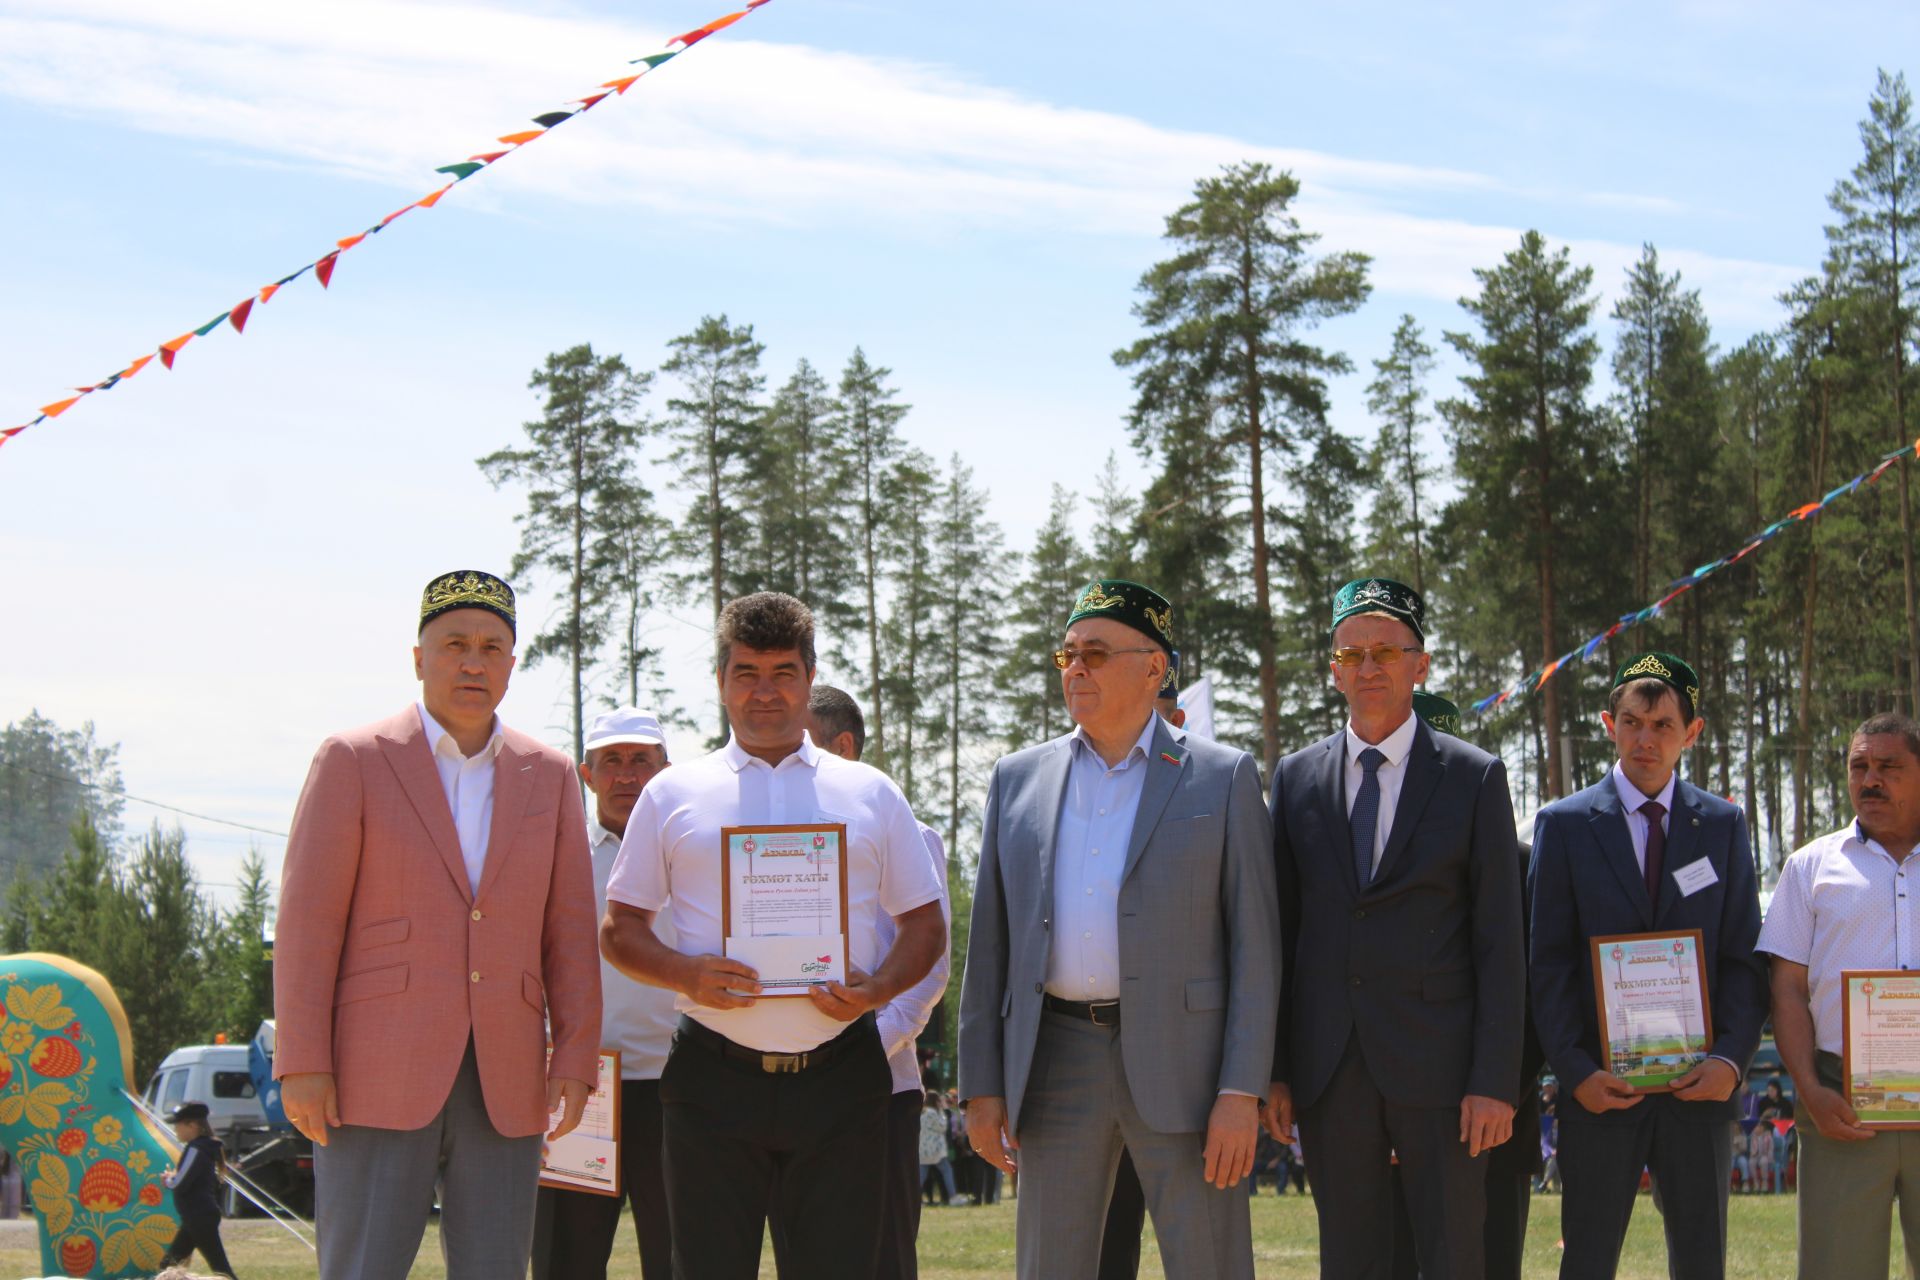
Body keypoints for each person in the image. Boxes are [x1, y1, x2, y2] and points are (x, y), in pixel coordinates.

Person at [601, 592, 946, 1280]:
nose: (765, 692)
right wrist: (684, 973)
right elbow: (620, 929)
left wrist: (878, 989)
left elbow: (926, 925)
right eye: (747, 673)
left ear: (810, 678)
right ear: (722, 682)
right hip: (710, 1080)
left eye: (783, 673)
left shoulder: (871, 793)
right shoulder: (673, 795)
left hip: (841, 1080)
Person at [274, 569, 601, 1280]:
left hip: (507, 1076)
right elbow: (307, 923)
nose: (473, 661)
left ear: (512, 666)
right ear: (419, 657)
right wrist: (302, 1060)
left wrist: (575, 1055)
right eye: (454, 643)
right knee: (363, 1267)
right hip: (371, 1071)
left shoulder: (547, 775)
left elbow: (570, 932)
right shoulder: (354, 759)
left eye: (491, 647)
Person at [959, 578, 1279, 1280]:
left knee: (1212, 1265)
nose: (1076, 668)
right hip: (1055, 1061)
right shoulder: (1017, 779)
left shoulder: (1221, 778)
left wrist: (1240, 1090)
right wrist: (980, 1084)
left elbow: (1257, 948)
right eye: (1068, 654)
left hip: (1188, 1071)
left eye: (1096, 654)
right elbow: (991, 945)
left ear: (1154, 667)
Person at [1267, 577, 1524, 1280]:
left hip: (1443, 1076)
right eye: (1351, 654)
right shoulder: (1294, 779)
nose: (1368, 667)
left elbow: (1502, 943)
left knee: (1451, 1256)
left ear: (1421, 664)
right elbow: (1282, 936)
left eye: (1386, 651)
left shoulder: (1474, 778)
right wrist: (1280, 1070)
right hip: (1330, 1070)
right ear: (1333, 670)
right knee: (1349, 1260)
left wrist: (1494, 1079)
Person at [1528, 650, 1766, 1280]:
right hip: (1601, 1092)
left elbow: (1744, 960)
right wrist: (1576, 1071)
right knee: (1588, 1259)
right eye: (1632, 722)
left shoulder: (1721, 825)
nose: (1645, 738)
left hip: (1700, 1090)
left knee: (1700, 1260)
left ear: (1692, 732)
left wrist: (1730, 1060)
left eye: (1662, 725)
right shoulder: (1565, 825)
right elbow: (1545, 964)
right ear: (1609, 724)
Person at [1386, 689, 1544, 1280]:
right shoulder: (1365, 861)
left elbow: (1534, 999)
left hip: (1493, 1133)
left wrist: (1500, 1095)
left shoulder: (1525, 864)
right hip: (1391, 1135)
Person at [1759, 712, 1920, 1275]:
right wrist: (1809, 1089)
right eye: (1859, 767)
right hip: (1837, 1102)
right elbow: (1786, 990)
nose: (1870, 780)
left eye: (1889, 767)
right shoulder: (1809, 867)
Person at [803, 683, 951, 1277]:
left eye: (803, 744)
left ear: (845, 746)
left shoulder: (910, 837)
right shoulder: (770, 845)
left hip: (879, 1086)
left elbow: (927, 969)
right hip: (792, 1093)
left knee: (883, 1257)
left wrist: (862, 1044)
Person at [532, 708, 677, 1280]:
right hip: (579, 1087)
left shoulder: (693, 850)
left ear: (666, 770)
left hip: (677, 1086)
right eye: (610, 762)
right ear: (586, 775)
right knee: (566, 1258)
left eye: (641, 760)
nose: (626, 776)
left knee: (681, 1256)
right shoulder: (553, 852)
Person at [161, 1101, 236, 1279]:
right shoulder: (203, 1147)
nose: (176, 1129)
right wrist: (175, 1177)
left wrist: (169, 1178)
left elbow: (180, 1183)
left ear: (192, 1126)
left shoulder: (196, 1148)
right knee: (170, 1264)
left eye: (178, 1125)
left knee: (219, 1267)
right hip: (198, 1216)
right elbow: (190, 1177)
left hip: (199, 1216)